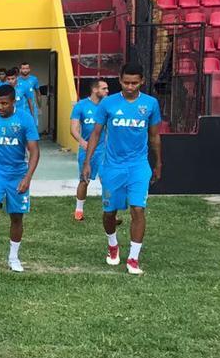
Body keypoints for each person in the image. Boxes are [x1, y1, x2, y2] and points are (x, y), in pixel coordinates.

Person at [82, 63, 162, 275]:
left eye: (134, 83)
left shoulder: (151, 104)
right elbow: (96, 134)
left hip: (138, 166)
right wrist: (88, 162)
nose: (130, 86)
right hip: (112, 167)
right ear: (120, 80)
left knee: (138, 209)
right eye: (126, 82)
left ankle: (133, 259)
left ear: (142, 81)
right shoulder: (107, 104)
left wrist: (159, 162)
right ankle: (112, 245)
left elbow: (154, 136)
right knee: (109, 212)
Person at [0, 84, 40, 272]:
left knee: (16, 217)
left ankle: (13, 258)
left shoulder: (25, 120)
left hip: (17, 174)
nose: (0, 107)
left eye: (5, 103)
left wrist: (27, 178)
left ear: (13, 102)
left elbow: (35, 152)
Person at [69, 78, 108, 221]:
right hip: (87, 150)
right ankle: (78, 210)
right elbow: (73, 129)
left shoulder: (107, 106)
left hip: (103, 150)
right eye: (104, 88)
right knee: (84, 180)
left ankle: (109, 211)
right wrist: (82, 142)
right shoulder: (81, 106)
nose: (107, 91)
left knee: (107, 180)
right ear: (95, 90)